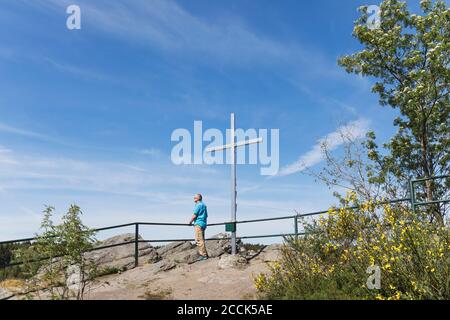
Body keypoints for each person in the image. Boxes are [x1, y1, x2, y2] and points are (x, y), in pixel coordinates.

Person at [189, 193, 209, 261]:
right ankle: (204, 254)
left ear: (198, 198)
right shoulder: (204, 205)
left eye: (195, 197)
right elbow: (206, 215)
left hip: (198, 223)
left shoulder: (198, 205)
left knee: (199, 240)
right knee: (202, 239)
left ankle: (203, 255)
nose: (194, 198)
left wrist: (190, 222)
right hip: (203, 223)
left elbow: (195, 215)